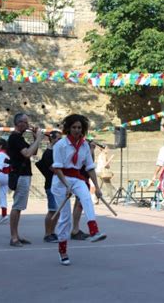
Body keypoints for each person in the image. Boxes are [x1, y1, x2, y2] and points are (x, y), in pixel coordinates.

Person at [51, 114, 106, 266]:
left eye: (79, 128)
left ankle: (94, 230)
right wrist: (66, 185)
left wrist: (97, 187)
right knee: (65, 218)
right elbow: (57, 168)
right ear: (68, 128)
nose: (76, 130)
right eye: (74, 127)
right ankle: (62, 251)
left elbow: (89, 167)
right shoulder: (60, 145)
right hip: (60, 180)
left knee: (87, 197)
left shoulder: (84, 146)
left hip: (77, 178)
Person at [7, 113, 44, 247]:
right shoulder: (15, 138)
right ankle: (14, 237)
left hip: (24, 174)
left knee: (19, 206)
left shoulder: (19, 138)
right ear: (19, 123)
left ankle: (16, 235)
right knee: (17, 206)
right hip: (20, 175)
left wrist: (35, 138)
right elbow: (27, 153)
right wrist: (39, 138)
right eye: (25, 122)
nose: (28, 125)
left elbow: (32, 152)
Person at [35, 130, 62, 243]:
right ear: (52, 139)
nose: (60, 141)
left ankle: (52, 232)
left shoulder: (56, 152)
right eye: (58, 139)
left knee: (57, 211)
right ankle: (47, 234)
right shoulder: (48, 153)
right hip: (51, 185)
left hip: (57, 185)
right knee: (52, 210)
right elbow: (54, 169)